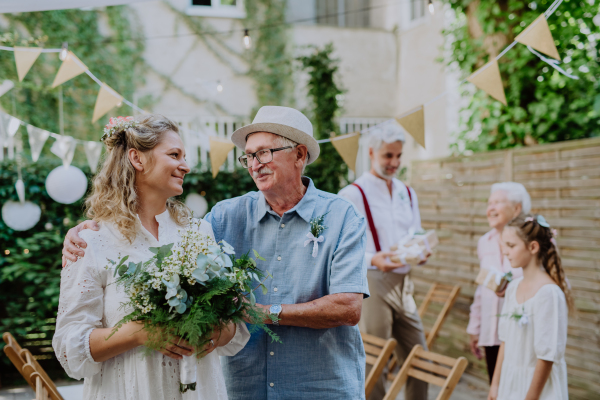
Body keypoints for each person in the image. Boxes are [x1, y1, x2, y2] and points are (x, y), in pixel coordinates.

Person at [61, 106, 369, 399]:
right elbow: (145, 240)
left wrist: (254, 316)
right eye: (248, 156)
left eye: (263, 153)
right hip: (240, 389)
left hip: (319, 386)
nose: (253, 164)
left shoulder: (342, 217)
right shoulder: (220, 219)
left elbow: (348, 308)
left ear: (300, 154)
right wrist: (90, 229)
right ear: (136, 159)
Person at [53, 115, 250, 400]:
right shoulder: (91, 241)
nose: (186, 165)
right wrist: (137, 333)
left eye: (184, 156)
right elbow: (69, 348)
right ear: (137, 158)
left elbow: (234, 324)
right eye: (174, 155)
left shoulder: (200, 232)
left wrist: (216, 332)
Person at [338, 119, 428, 400]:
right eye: (388, 155)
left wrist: (422, 250)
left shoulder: (406, 192)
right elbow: (340, 250)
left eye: (399, 155)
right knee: (374, 358)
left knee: (419, 354)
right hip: (372, 283)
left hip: (405, 281)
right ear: (371, 153)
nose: (394, 162)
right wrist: (373, 260)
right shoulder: (352, 194)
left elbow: (416, 234)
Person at [488, 213, 573, 400]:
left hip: (537, 391)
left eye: (511, 246)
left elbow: (547, 357)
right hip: (509, 386)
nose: (505, 251)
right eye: (504, 245)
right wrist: (495, 386)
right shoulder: (513, 288)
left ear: (532, 247)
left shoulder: (549, 294)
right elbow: (505, 341)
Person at [467, 182, 530, 382]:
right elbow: (482, 289)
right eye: (489, 203)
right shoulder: (484, 242)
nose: (491, 208)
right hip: (492, 332)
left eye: (498, 203)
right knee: (496, 387)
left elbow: (547, 284)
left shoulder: (534, 240)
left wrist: (512, 288)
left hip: (522, 332)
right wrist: (475, 328)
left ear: (516, 208)